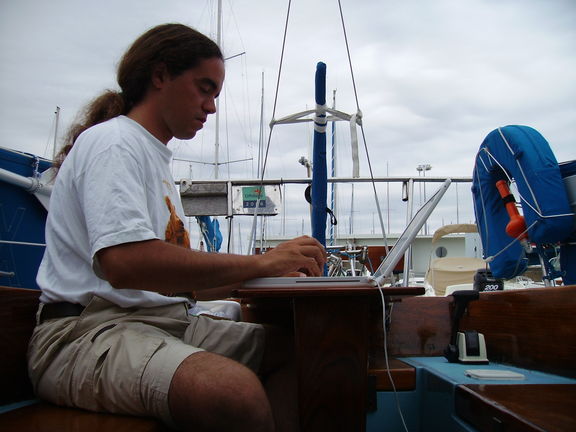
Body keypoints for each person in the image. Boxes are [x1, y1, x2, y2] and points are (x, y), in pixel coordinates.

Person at [27, 23, 326, 432]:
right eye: (204, 88)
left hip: (156, 323)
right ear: (160, 75)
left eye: (216, 95)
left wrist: (274, 271)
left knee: (306, 354)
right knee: (233, 392)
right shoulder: (114, 143)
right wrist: (260, 265)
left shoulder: (154, 159)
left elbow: (179, 284)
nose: (212, 107)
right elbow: (126, 264)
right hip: (83, 335)